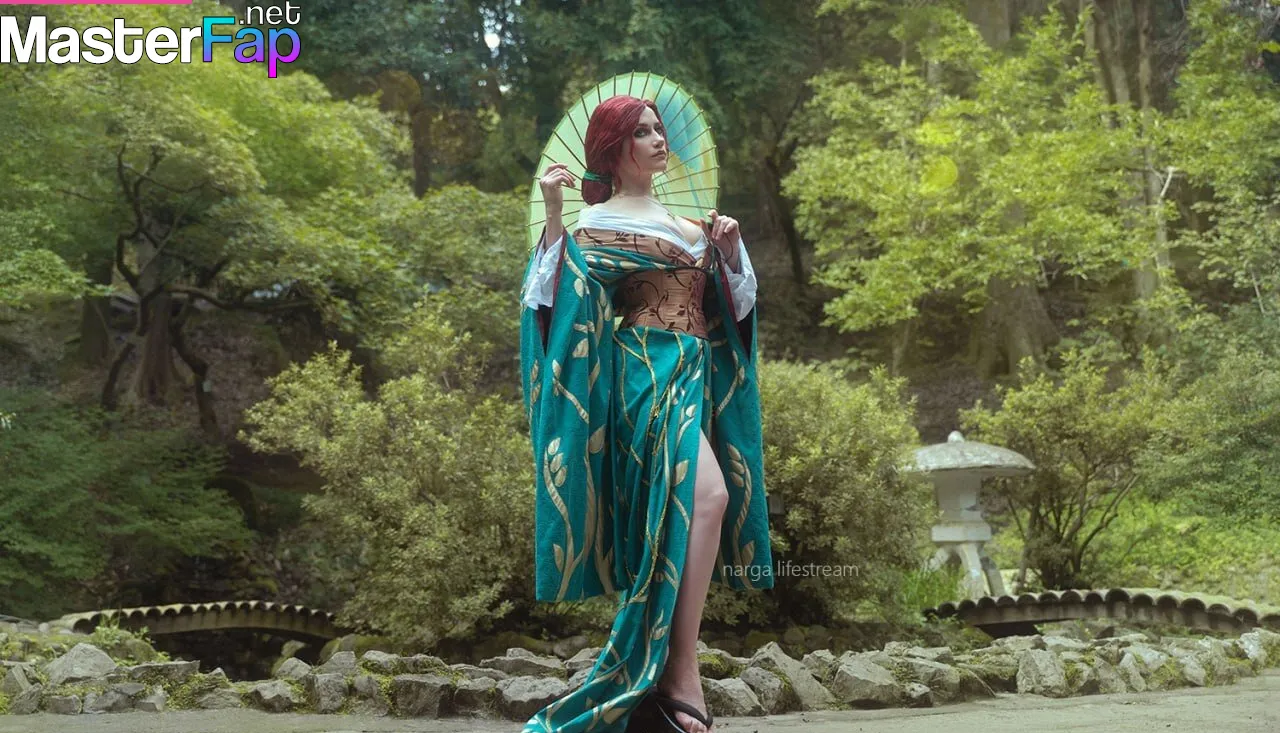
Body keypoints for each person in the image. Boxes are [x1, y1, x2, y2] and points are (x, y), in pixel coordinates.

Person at [518, 94, 774, 733]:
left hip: (695, 373)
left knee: (688, 510)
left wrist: (730, 252)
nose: (659, 139)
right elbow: (553, 300)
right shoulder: (593, 223)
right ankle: (681, 671)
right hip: (643, 373)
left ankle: (668, 670)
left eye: (659, 129)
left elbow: (733, 309)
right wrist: (556, 215)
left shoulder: (692, 225)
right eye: (642, 132)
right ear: (614, 148)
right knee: (709, 497)